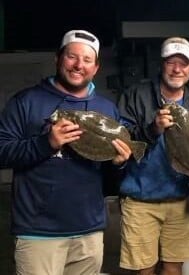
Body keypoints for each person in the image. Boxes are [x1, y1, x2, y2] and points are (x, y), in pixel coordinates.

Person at [0, 30, 132, 275]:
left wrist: (119, 164)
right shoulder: (26, 102)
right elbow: (2, 152)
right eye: (72, 57)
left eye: (87, 60)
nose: (78, 65)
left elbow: (111, 182)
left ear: (96, 68)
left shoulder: (106, 110)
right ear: (58, 59)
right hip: (37, 233)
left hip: (89, 232)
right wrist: (46, 143)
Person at [117, 37, 189, 275]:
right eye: (171, 62)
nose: (177, 69)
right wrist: (152, 128)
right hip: (140, 201)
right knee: (144, 270)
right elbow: (121, 142)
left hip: (178, 202)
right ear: (161, 64)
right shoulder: (135, 96)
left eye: (183, 63)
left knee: (174, 270)